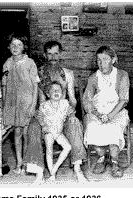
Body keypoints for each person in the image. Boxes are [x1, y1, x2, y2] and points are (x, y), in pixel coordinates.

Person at [24, 41, 88, 183]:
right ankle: (39, 171)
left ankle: (77, 168)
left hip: (62, 113)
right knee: (33, 125)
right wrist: (42, 116)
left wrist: (70, 110)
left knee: (75, 122)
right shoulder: (39, 73)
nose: (53, 57)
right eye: (50, 54)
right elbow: (40, 100)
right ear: (45, 55)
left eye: (56, 54)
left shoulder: (68, 73)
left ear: (61, 54)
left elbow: (71, 98)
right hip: (46, 111)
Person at [83, 45, 130, 178]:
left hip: (117, 111)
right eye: (98, 60)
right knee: (92, 127)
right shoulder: (93, 78)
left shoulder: (122, 75)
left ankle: (115, 162)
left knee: (113, 128)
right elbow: (87, 100)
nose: (101, 63)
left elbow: (124, 100)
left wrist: (110, 116)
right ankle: (101, 158)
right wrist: (97, 114)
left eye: (105, 59)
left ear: (113, 60)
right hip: (97, 112)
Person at [1, 34, 39, 174]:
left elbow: (35, 86)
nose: (15, 48)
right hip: (12, 103)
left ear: (24, 47)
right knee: (16, 133)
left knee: (25, 133)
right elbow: (4, 86)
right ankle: (18, 162)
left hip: (26, 102)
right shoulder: (7, 63)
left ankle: (25, 164)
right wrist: (5, 106)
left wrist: (33, 105)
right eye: (13, 45)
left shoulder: (30, 63)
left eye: (19, 45)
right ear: (8, 47)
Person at [37, 81, 74, 181]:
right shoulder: (44, 105)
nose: (56, 92)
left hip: (58, 132)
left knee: (68, 147)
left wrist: (71, 112)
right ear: (48, 94)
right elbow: (39, 117)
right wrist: (43, 125)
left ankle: (54, 169)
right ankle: (52, 174)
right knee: (49, 149)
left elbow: (71, 111)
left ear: (62, 93)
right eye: (53, 90)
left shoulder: (65, 103)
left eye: (59, 90)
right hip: (48, 131)